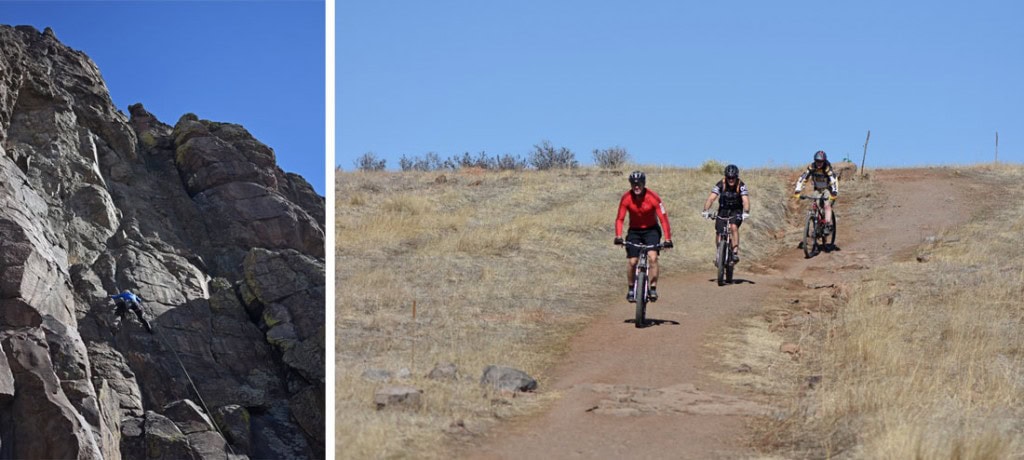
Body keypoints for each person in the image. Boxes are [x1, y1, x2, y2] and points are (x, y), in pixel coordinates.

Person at [614, 171, 673, 302]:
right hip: (634, 231)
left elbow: (663, 219)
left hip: (651, 230)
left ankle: (652, 288)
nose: (636, 187)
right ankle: (630, 288)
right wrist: (618, 236)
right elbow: (620, 219)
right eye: (633, 184)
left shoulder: (653, 197)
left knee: (653, 258)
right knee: (632, 261)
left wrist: (668, 239)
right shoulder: (626, 198)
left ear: (643, 184)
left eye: (639, 184)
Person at [701, 164, 750, 264]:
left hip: (736, 210)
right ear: (725, 177)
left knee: (733, 227)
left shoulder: (741, 185)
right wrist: (706, 210)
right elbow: (711, 198)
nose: (731, 180)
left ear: (736, 177)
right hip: (723, 210)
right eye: (729, 177)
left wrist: (746, 212)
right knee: (719, 231)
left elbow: (745, 200)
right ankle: (719, 252)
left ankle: (735, 252)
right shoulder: (721, 184)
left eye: (733, 178)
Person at [793, 150, 838, 231]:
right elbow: (803, 178)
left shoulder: (827, 168)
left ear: (824, 161)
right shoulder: (812, 167)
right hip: (817, 189)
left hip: (827, 189)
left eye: (821, 161)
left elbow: (833, 180)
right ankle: (816, 223)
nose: (819, 163)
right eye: (817, 161)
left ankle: (827, 225)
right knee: (815, 204)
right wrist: (797, 190)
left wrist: (834, 193)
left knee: (826, 204)